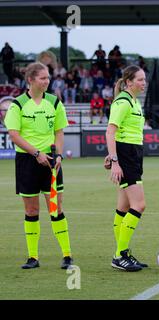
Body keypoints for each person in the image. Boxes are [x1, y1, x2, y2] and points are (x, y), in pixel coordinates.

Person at [4, 62, 73, 269]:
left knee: (55, 208)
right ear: (31, 80)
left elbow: (59, 132)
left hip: (51, 161)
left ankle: (67, 255)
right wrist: (35, 153)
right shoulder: (17, 104)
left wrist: (58, 155)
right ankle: (33, 257)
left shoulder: (54, 102)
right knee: (32, 210)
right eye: (43, 78)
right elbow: (14, 135)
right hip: (27, 161)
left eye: (48, 77)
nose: (47, 81)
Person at [104, 65, 148, 272]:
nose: (143, 82)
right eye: (139, 79)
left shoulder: (133, 101)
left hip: (132, 154)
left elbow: (119, 134)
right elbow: (110, 131)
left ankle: (123, 252)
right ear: (128, 82)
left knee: (123, 208)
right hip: (127, 156)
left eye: (144, 79)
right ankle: (119, 255)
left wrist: (114, 156)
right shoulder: (122, 101)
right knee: (139, 205)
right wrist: (114, 160)